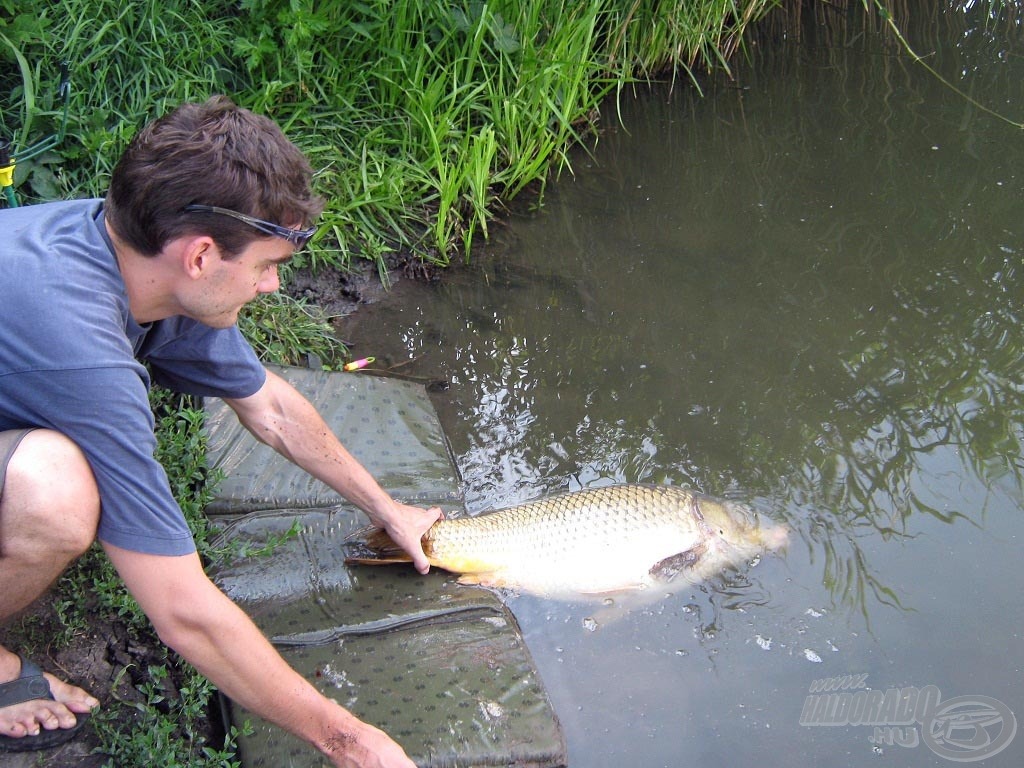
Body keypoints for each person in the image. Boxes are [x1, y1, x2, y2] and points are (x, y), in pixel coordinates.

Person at [0, 96, 441, 766]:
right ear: (202, 255)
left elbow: (271, 407)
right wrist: (346, 739)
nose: (269, 286)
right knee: (55, 494)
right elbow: (181, 609)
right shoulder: (80, 346)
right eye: (267, 266)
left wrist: (388, 508)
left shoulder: (140, 267)